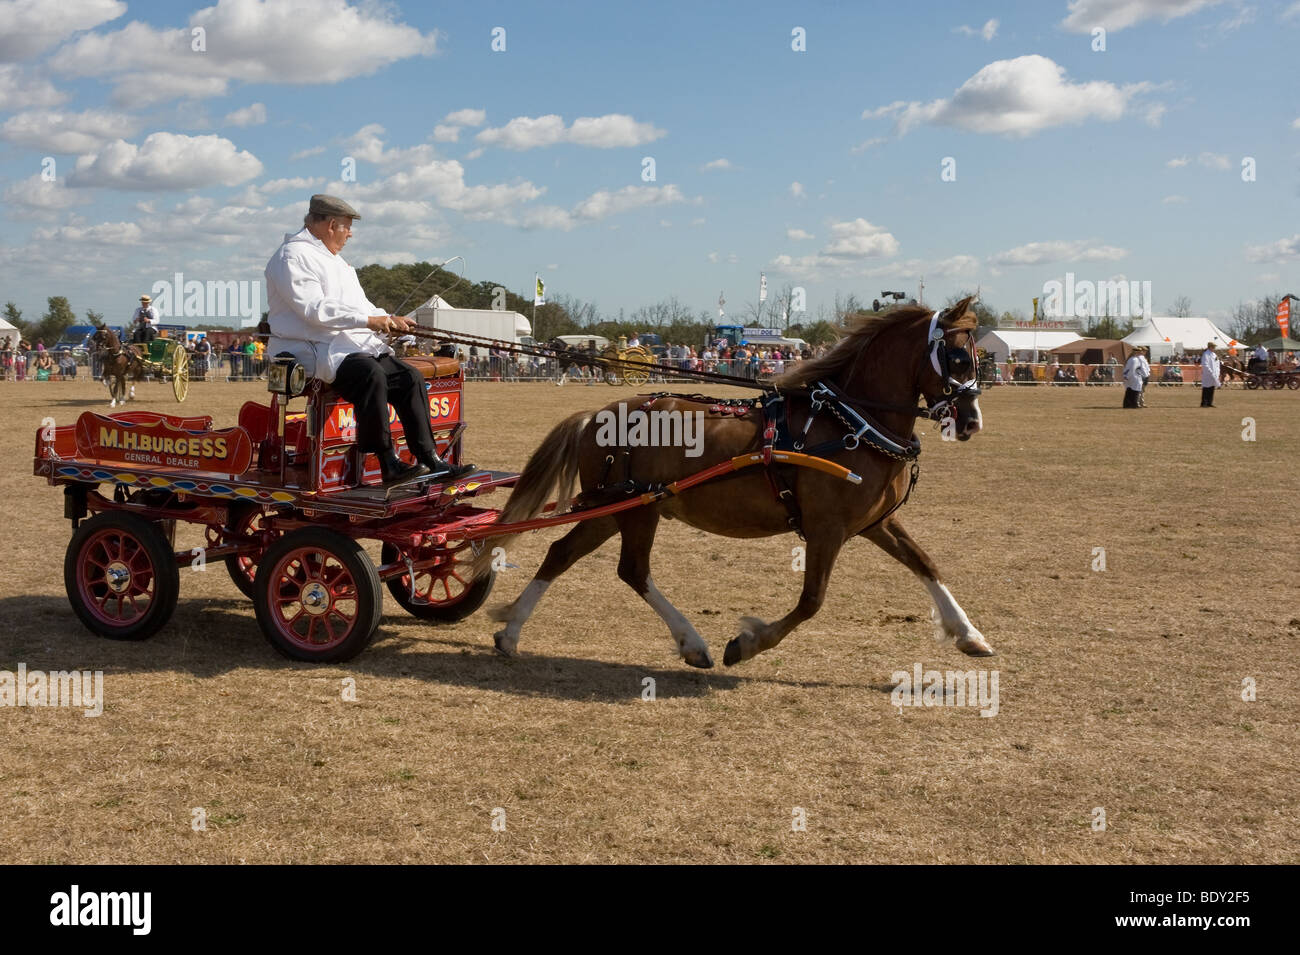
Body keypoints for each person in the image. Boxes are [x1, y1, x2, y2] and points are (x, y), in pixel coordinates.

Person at [265, 194, 471, 486]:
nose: (350, 234)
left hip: (348, 346)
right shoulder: (292, 256)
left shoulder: (337, 262)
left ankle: (430, 458)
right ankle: (387, 462)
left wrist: (391, 321)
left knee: (408, 376)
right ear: (331, 225)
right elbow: (314, 310)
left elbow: (362, 306)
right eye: (347, 227)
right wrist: (369, 322)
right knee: (371, 375)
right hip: (310, 348)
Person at [1200, 341, 1221, 407]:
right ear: (1210, 347)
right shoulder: (1206, 354)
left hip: (1214, 374)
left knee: (1212, 388)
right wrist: (1210, 372)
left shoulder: (1214, 354)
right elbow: (1205, 364)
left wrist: (1217, 372)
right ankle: (1204, 403)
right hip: (1208, 374)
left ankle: (1209, 402)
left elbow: (1217, 364)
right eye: (1213, 347)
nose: (1214, 348)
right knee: (1206, 388)